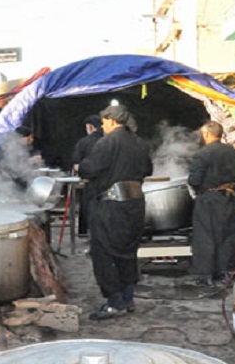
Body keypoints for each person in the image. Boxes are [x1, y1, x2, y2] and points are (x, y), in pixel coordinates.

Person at [78, 105, 152, 320]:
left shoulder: (107, 142)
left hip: (111, 206)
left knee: (104, 253)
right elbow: (148, 169)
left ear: (110, 121)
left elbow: (90, 169)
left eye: (103, 123)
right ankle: (128, 298)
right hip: (135, 205)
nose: (103, 127)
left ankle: (114, 302)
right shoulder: (139, 142)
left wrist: (81, 165)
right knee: (128, 252)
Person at [187, 121, 235, 286]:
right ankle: (227, 272)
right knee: (228, 235)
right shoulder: (232, 152)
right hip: (228, 197)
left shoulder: (203, 154)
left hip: (208, 199)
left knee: (205, 236)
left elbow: (194, 180)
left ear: (206, 135)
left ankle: (206, 275)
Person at [72, 115, 103, 237]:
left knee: (88, 209)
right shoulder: (110, 140)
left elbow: (76, 165)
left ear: (90, 127)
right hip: (110, 184)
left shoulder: (83, 142)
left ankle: (87, 234)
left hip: (89, 183)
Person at [0, 126, 42, 191]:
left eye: (31, 138)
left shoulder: (22, 147)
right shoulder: (9, 147)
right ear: (20, 137)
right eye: (28, 138)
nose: (31, 140)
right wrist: (31, 161)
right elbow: (13, 166)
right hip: (7, 180)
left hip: (15, 178)